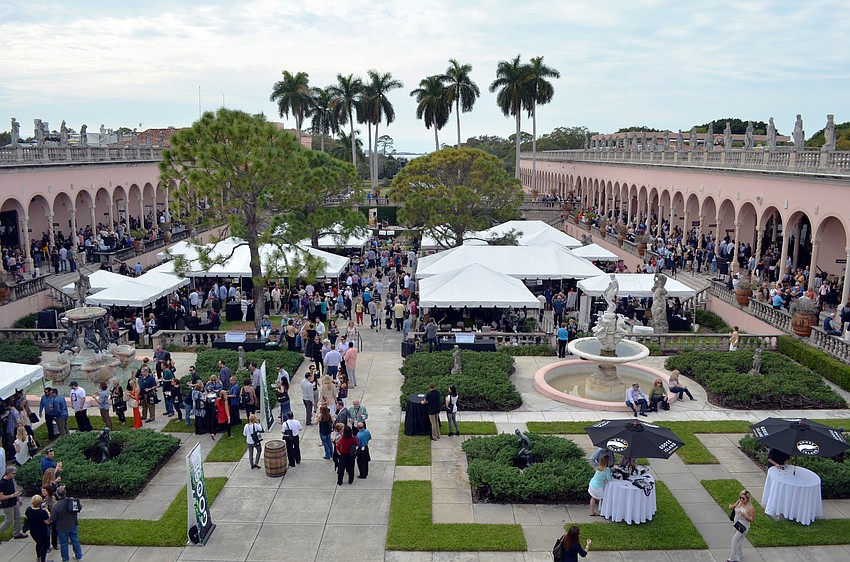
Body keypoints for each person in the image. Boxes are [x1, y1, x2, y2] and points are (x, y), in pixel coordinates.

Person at [50, 485, 83, 562]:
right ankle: (79, 556)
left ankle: (65, 559)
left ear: (57, 495)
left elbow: (52, 518)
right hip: (73, 524)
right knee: (75, 541)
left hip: (62, 528)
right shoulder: (72, 500)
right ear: (65, 493)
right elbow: (79, 507)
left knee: (64, 544)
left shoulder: (57, 506)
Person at [0, 465, 27, 540]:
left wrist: (18, 499)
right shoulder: (2, 483)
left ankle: (17, 533)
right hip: (7, 505)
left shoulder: (11, 480)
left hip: (14, 502)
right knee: (8, 520)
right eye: (14, 473)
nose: (15, 475)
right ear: (9, 473)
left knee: (17, 518)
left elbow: (14, 491)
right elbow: (1, 497)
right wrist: (12, 496)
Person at [727, 490, 755, 562]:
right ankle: (739, 554)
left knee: (734, 541)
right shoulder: (739, 502)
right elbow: (733, 507)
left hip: (743, 526)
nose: (741, 500)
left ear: (748, 499)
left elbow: (751, 520)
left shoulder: (750, 508)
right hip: (736, 523)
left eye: (743, 498)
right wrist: (731, 506)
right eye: (740, 497)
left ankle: (733, 558)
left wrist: (745, 516)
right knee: (737, 541)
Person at [24, 494, 51, 562]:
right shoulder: (42, 512)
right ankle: (43, 560)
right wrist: (48, 513)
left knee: (38, 543)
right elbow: (48, 522)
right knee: (44, 546)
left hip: (33, 531)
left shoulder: (28, 511)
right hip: (42, 532)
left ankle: (38, 557)